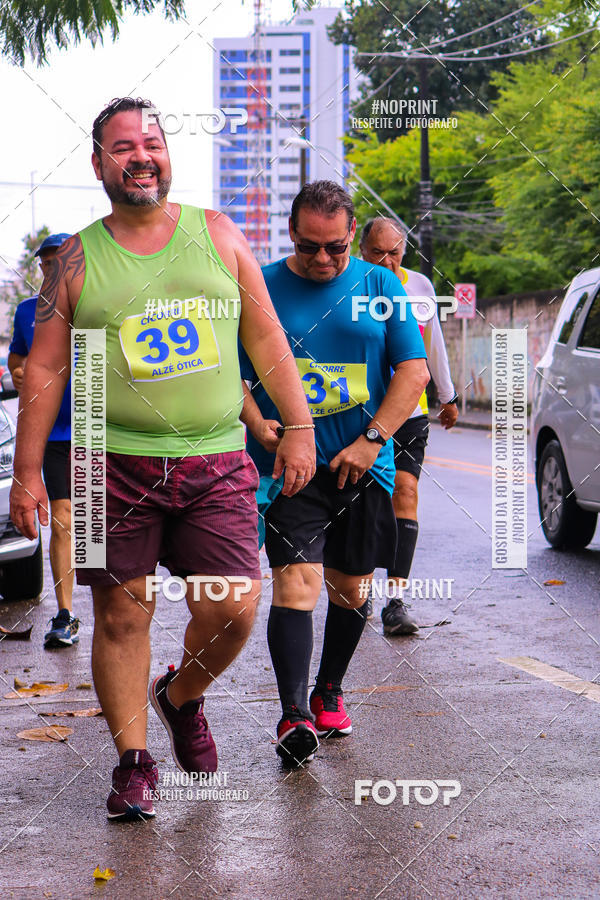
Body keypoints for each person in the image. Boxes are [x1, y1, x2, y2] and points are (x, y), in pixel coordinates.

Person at [10, 97, 315, 821]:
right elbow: (45, 374)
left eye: (152, 141)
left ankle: (181, 698)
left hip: (216, 459)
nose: (141, 154)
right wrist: (27, 472)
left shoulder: (216, 232)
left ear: (168, 154)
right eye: (122, 146)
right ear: (98, 165)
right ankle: (134, 765)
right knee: (119, 616)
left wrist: (296, 424)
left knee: (236, 605)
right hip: (101, 465)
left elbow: (267, 338)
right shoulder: (77, 259)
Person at [240, 181, 429, 767]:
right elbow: (232, 374)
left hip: (363, 468)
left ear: (353, 236)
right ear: (290, 233)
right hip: (289, 468)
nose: (322, 259)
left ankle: (329, 692)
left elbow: (413, 371)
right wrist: (257, 422)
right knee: (296, 583)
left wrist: (372, 442)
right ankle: (293, 715)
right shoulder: (262, 285)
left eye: (334, 248)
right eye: (308, 245)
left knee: (350, 590)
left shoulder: (380, 285)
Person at [359, 217, 458, 635]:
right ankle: (355, 592)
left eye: (393, 252)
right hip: (359, 411)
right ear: (361, 249)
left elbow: (431, 343)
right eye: (376, 252)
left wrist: (447, 394)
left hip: (410, 412)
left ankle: (395, 601)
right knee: (359, 501)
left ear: (405, 252)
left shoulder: (419, 287)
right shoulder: (349, 283)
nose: (385, 260)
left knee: (406, 490)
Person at [8, 233, 77, 647]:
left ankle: (118, 608)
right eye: (46, 263)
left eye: (62, 261)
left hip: (99, 431)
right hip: (50, 432)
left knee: (101, 530)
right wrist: (18, 372)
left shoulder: (97, 309)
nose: (53, 269)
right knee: (64, 520)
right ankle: (66, 614)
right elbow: (18, 358)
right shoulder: (27, 312)